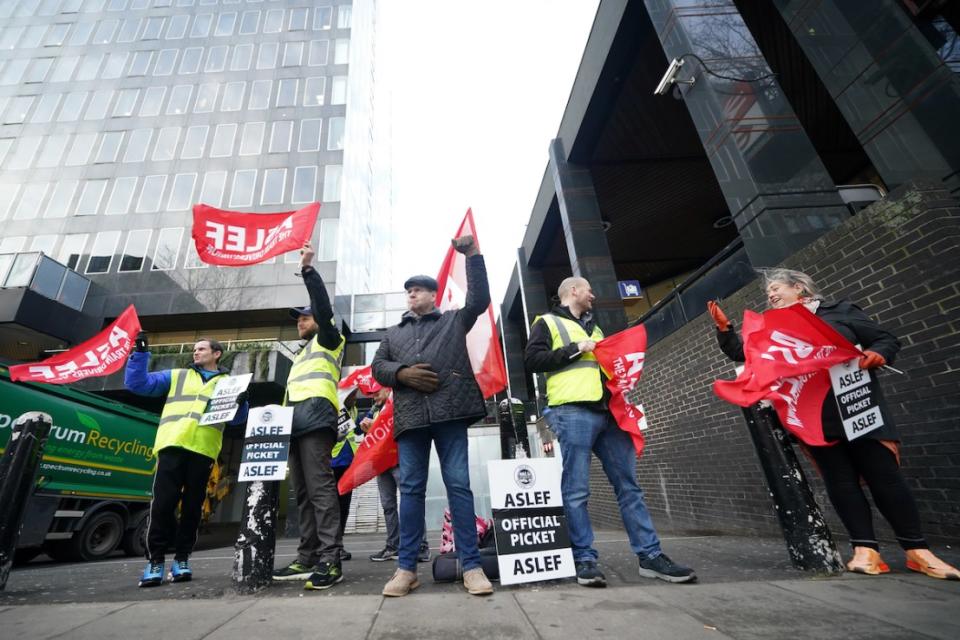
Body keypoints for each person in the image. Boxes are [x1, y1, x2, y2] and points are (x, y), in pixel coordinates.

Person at [708, 268, 960, 580]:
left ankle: (917, 550)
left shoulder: (838, 311)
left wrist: (877, 353)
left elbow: (884, 339)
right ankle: (865, 550)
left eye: (776, 288)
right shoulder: (773, 327)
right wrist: (725, 330)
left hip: (856, 405)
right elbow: (744, 352)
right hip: (814, 416)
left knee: (885, 477)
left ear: (799, 287)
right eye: (768, 291)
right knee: (840, 481)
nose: (770, 295)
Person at [525, 276, 697, 587]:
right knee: (576, 490)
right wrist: (576, 348)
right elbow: (532, 360)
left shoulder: (597, 327)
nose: (593, 295)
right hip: (572, 410)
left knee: (629, 487)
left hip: (610, 413)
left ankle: (651, 556)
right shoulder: (547, 322)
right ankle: (584, 560)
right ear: (573, 291)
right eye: (588, 289)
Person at [371, 234, 494, 597]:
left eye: (419, 289)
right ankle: (406, 569)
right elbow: (378, 368)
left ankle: (471, 566)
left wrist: (473, 255)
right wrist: (401, 373)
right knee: (410, 490)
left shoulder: (454, 320)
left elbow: (480, 299)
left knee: (458, 485)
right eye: (408, 290)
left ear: (433, 295)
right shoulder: (394, 333)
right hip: (410, 419)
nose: (411, 293)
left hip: (450, 414)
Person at [126, 336, 248, 587]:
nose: (195, 353)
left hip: (203, 451)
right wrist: (140, 355)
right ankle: (155, 562)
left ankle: (181, 560)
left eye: (201, 349)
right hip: (172, 445)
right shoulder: (178, 375)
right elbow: (137, 384)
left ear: (217, 353)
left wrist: (242, 401)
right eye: (194, 350)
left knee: (193, 509)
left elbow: (236, 421)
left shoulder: (228, 383)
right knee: (162, 505)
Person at [272, 242, 347, 590]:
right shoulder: (300, 355)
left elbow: (322, 308)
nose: (300, 321)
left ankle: (331, 559)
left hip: (317, 420)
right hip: (294, 424)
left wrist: (307, 270)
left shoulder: (330, 339)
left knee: (319, 491)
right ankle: (307, 556)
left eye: (304, 316)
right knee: (301, 494)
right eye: (298, 318)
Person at [364, 388, 431, 564]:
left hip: (399, 459)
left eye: (376, 392)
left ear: (387, 389)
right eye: (371, 394)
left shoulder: (398, 404)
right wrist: (368, 431)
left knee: (410, 500)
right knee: (388, 506)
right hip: (381, 463)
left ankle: (422, 547)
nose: (374, 396)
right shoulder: (375, 411)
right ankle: (393, 546)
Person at [330, 389, 361, 561]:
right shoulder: (335, 408)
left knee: (344, 506)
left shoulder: (353, 410)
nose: (355, 398)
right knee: (331, 506)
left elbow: (354, 432)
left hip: (348, 465)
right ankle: (330, 545)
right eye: (352, 395)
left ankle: (338, 544)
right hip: (333, 462)